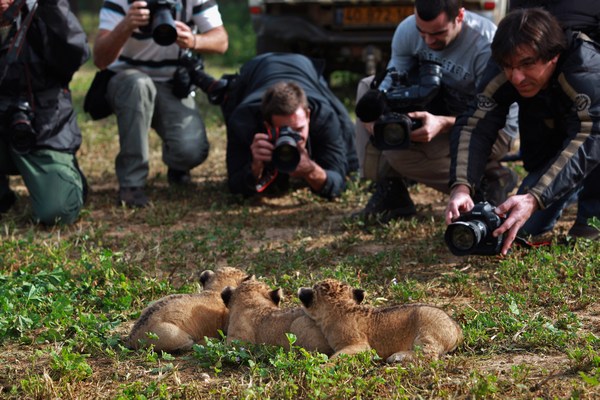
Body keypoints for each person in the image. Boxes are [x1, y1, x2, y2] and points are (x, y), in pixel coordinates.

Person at [445, 7, 600, 255]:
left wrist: (534, 197)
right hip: (556, 141)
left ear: (553, 56)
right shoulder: (505, 66)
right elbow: (475, 123)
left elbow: (592, 136)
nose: (516, 77)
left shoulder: (585, 68)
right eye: (508, 66)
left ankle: (592, 213)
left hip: (593, 137)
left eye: (527, 64)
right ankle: (566, 187)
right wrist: (461, 187)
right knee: (522, 226)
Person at [353, 0, 518, 223]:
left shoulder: (486, 44)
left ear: (460, 16)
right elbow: (393, 81)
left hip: (492, 126)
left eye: (438, 33)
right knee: (367, 88)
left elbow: (493, 116)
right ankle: (390, 190)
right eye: (423, 33)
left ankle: (486, 181)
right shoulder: (408, 29)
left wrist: (443, 123)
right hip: (438, 107)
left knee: (399, 156)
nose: (429, 41)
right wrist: (374, 119)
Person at [93, 0, 228, 207]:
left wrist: (194, 40)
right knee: (138, 85)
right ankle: (131, 184)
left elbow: (221, 41)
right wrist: (126, 25)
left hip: (171, 83)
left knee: (191, 151)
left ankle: (177, 165)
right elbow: (100, 59)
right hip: (127, 81)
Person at [0, 0, 90, 225]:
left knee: (58, 210)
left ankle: (65, 173)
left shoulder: (44, 9)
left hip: (42, 127)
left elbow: (75, 55)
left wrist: (50, 8)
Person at [223, 52, 358, 200]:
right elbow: (234, 185)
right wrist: (254, 168)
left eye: (298, 129)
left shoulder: (323, 116)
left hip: (306, 69)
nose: (293, 139)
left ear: (308, 115)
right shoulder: (245, 121)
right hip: (257, 69)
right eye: (283, 131)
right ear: (267, 125)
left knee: (352, 160)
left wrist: (311, 170)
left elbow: (338, 182)